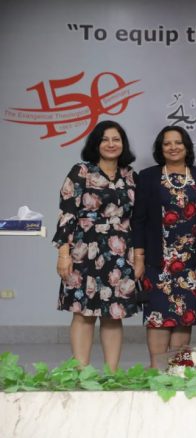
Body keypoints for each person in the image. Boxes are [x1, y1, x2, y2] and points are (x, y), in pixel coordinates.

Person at [53, 120, 139, 371]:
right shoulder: (81, 171)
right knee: (83, 313)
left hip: (120, 253)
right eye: (105, 139)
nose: (111, 144)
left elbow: (138, 217)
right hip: (84, 252)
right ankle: (82, 373)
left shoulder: (130, 175)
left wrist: (138, 256)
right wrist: (63, 254)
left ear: (123, 144)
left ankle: (112, 374)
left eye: (116, 139)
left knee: (114, 314)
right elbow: (67, 214)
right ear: (96, 144)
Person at [133, 125, 196, 368]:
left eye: (178, 142)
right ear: (160, 149)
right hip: (158, 262)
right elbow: (138, 219)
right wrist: (138, 257)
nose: (173, 147)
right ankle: (157, 370)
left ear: (186, 147)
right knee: (158, 318)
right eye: (167, 143)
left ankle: (176, 372)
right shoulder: (148, 176)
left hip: (192, 263)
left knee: (184, 318)